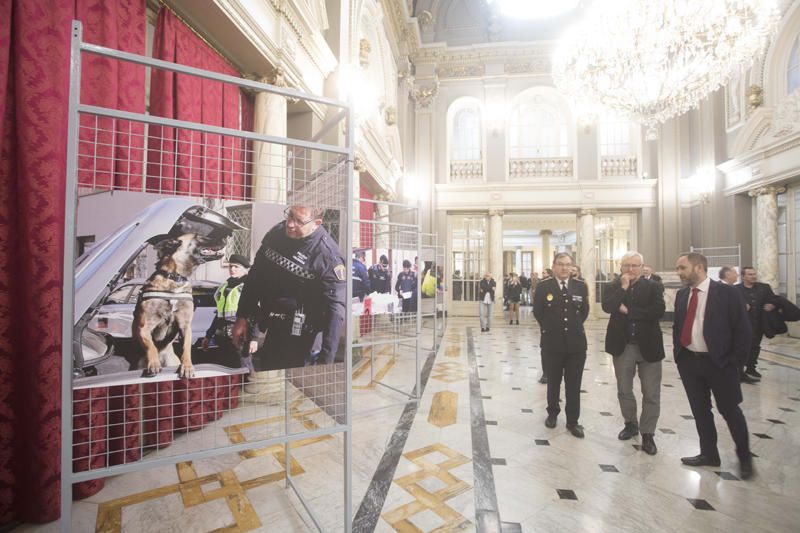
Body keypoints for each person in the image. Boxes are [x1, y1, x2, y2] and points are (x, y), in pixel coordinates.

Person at [232, 205, 346, 370]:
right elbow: (256, 277)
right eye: (290, 216)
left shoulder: (328, 256)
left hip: (305, 333)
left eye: (299, 221)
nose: (290, 224)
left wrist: (326, 360)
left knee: (298, 386)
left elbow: (336, 310)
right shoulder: (278, 233)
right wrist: (242, 316)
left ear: (317, 223)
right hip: (275, 324)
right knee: (270, 374)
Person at [673, 252, 754, 480]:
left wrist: (734, 363)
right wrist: (679, 355)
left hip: (719, 364)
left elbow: (743, 331)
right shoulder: (681, 295)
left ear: (699, 268)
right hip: (690, 361)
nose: (679, 273)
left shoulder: (727, 293)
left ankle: (745, 458)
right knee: (700, 411)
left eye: (682, 268)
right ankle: (709, 453)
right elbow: (678, 326)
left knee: (730, 411)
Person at [602, 251, 665, 455]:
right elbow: (608, 307)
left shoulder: (654, 286)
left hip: (649, 346)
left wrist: (629, 312)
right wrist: (623, 288)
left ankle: (648, 434)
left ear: (642, 266)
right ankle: (630, 423)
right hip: (623, 345)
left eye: (635, 266)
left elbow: (658, 311)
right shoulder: (613, 286)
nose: (631, 269)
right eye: (627, 265)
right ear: (621, 267)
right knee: (624, 389)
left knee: (651, 392)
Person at [533, 253, 590, 438]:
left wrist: (571, 328)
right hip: (552, 343)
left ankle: (573, 421)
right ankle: (552, 413)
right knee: (554, 382)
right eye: (560, 264)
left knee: (574, 384)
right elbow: (538, 312)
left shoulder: (580, 286)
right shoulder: (544, 286)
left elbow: (584, 312)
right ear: (554, 266)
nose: (564, 268)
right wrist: (551, 328)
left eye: (568, 265)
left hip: (576, 345)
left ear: (572, 266)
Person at [200, 254, 259, 370]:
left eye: (236, 267)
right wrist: (208, 335)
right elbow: (219, 315)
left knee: (244, 369)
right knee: (225, 370)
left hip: (241, 337)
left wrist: (254, 339)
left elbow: (256, 315)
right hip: (222, 338)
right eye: (230, 266)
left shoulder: (250, 286)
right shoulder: (224, 287)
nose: (232, 269)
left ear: (245, 268)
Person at [736, 266, 777, 380]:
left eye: (754, 274)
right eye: (750, 274)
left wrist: (771, 304)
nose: (753, 276)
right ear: (743, 276)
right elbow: (729, 305)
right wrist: (741, 307)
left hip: (759, 324)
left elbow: (774, 299)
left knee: (755, 347)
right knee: (741, 347)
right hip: (742, 325)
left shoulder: (764, 288)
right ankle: (739, 370)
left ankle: (751, 368)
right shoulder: (735, 289)